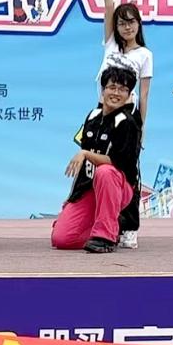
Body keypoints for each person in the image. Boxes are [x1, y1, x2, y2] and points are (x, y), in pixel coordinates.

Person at [95, 0, 153, 249]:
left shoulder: (145, 55)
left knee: (127, 171)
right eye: (121, 22)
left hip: (127, 118)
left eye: (131, 22)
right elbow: (109, 4)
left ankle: (129, 226)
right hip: (102, 112)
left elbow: (144, 94)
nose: (126, 26)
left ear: (139, 25)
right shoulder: (110, 45)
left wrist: (141, 128)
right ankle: (104, 223)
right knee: (99, 168)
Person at [51, 67, 141, 253]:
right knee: (62, 239)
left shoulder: (127, 122)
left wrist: (86, 154)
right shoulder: (92, 116)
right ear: (103, 90)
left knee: (105, 172)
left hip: (118, 187)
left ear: (129, 95)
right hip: (90, 187)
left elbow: (116, 162)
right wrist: (71, 199)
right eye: (112, 87)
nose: (116, 93)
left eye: (123, 90)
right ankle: (111, 226)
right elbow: (84, 167)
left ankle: (105, 237)